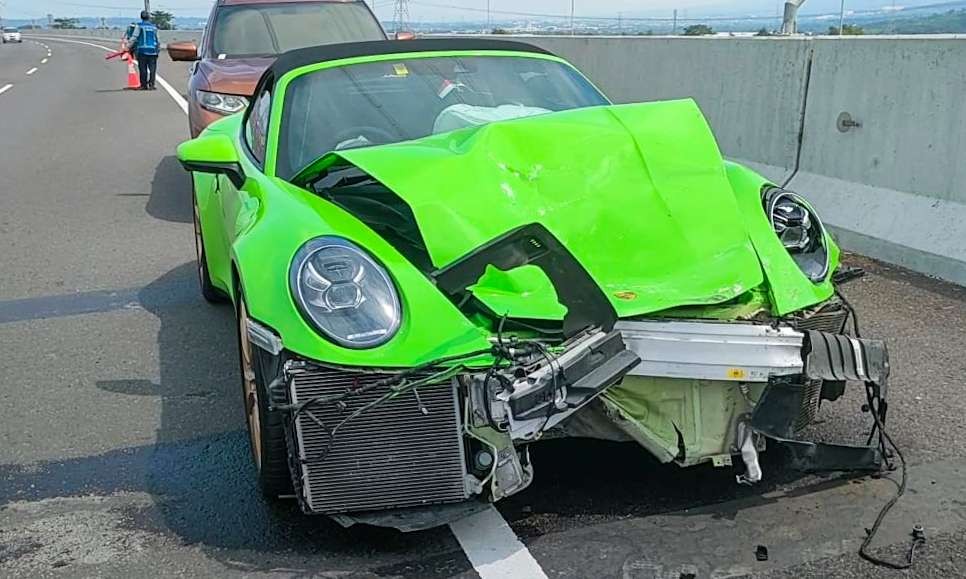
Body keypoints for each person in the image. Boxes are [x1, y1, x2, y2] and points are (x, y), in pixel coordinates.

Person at [127, 11, 160, 91]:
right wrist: (157, 49)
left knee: (143, 68)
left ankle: (143, 85)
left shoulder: (139, 26)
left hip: (142, 50)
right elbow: (158, 39)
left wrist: (128, 47)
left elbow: (134, 37)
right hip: (153, 50)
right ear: (149, 17)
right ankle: (152, 85)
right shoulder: (154, 27)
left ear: (141, 17)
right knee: (152, 69)